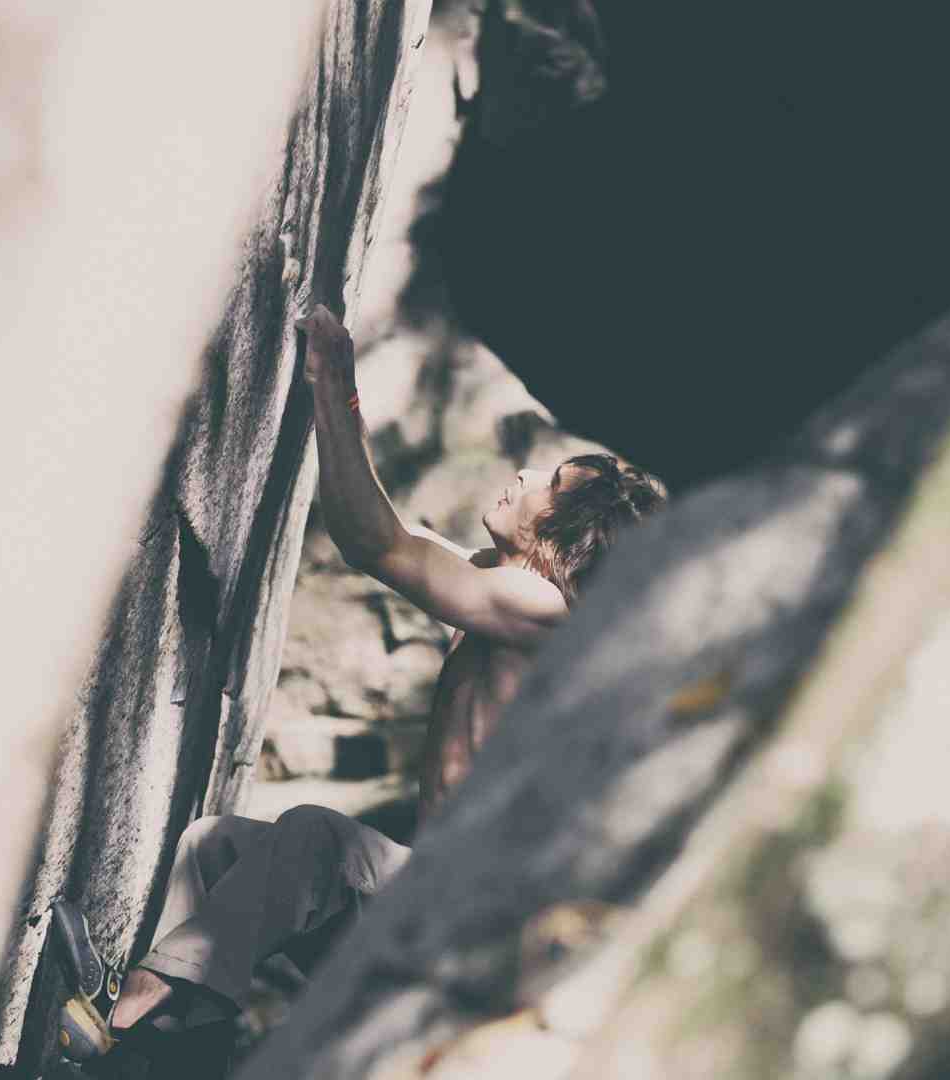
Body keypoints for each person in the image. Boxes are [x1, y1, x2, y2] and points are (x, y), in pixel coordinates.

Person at [51, 305, 665, 1072]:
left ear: (568, 534)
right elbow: (388, 537)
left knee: (314, 840)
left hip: (468, 929)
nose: (526, 475)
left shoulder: (549, 614)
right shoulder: (500, 586)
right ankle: (169, 1052)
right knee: (218, 849)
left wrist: (333, 385)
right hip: (429, 906)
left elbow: (377, 543)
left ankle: (127, 1020)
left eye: (552, 483)